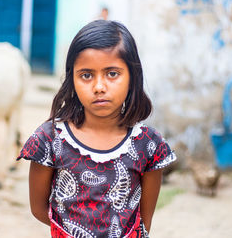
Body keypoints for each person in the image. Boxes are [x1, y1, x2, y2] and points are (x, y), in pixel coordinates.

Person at [17, 20, 176, 237]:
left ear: (132, 76)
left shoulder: (148, 145)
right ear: (72, 79)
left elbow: (143, 222)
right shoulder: (49, 139)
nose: (99, 87)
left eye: (112, 74)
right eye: (86, 75)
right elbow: (39, 209)